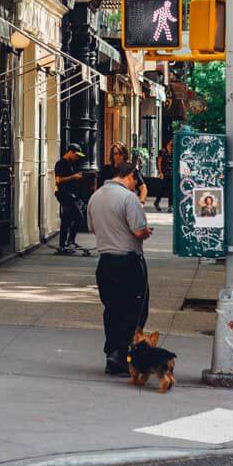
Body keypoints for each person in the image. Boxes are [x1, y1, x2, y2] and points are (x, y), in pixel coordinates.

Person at [87, 161, 152, 375]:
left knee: (112, 309)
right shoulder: (128, 198)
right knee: (134, 310)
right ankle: (121, 354)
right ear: (130, 175)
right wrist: (146, 232)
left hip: (105, 261)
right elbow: (138, 231)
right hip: (129, 261)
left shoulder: (95, 197)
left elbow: (91, 228)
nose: (136, 186)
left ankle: (111, 353)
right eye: (136, 181)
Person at [54, 143, 86, 254]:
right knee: (79, 217)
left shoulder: (70, 164)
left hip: (69, 195)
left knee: (66, 220)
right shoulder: (60, 164)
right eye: (76, 155)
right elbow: (58, 180)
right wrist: (74, 177)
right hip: (64, 195)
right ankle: (69, 241)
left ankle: (64, 244)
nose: (77, 158)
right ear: (70, 152)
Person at [154, 138, 174, 212]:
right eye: (171, 140)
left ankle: (170, 206)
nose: (172, 142)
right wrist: (160, 172)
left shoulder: (173, 151)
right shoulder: (162, 151)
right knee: (162, 188)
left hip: (172, 173)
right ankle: (156, 202)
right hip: (164, 173)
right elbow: (159, 162)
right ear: (168, 141)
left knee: (171, 190)